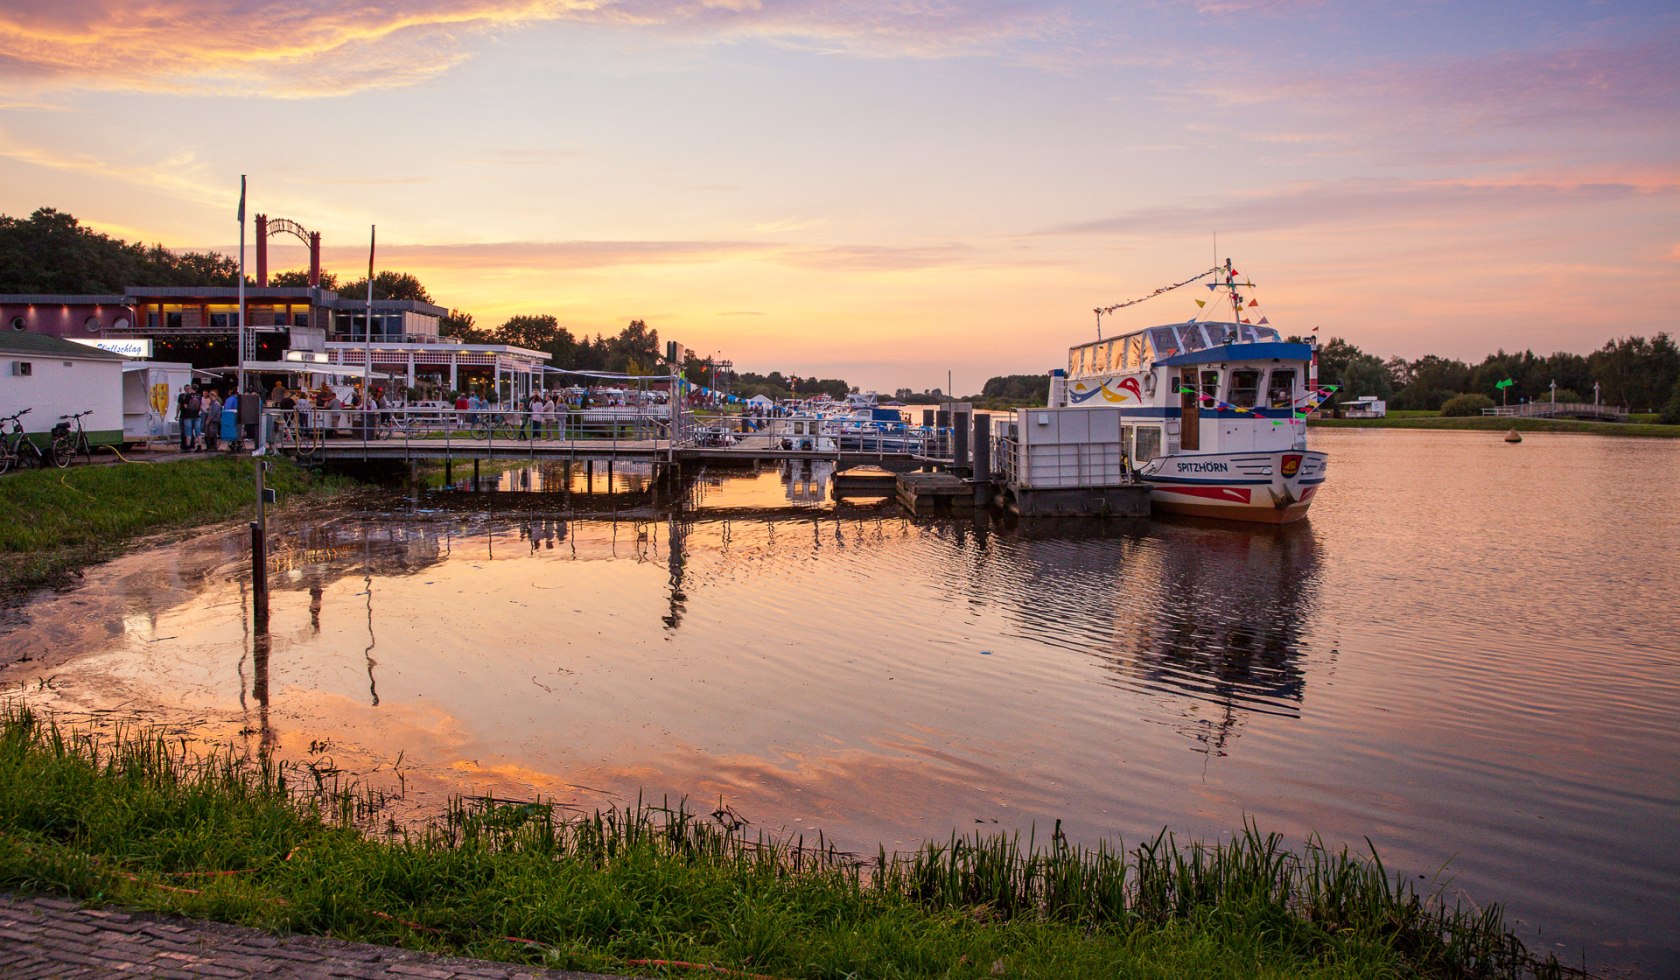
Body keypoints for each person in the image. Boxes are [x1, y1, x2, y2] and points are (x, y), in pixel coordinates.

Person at [176, 384, 201, 452]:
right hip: (184, 416)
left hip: (189, 416)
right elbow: (179, 405)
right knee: (184, 432)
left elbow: (186, 406)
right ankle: (184, 446)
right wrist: (177, 414)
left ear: (190, 389)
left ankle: (190, 446)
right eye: (186, 388)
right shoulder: (181, 396)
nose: (187, 389)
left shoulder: (190, 396)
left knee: (189, 432)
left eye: (188, 388)